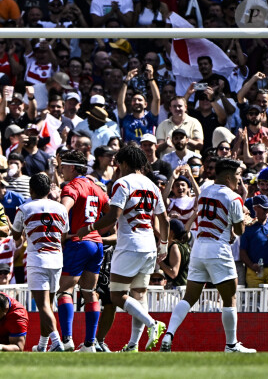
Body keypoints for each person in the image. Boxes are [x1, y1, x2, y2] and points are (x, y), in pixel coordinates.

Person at [77, 145, 169, 352]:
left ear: (125, 163)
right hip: (149, 248)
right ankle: (133, 345)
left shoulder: (122, 183)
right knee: (138, 295)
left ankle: (152, 323)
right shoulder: (152, 185)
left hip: (129, 245)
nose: (117, 167)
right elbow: (165, 220)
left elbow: (113, 217)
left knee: (117, 295)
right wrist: (163, 245)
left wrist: (89, 228)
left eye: (118, 163)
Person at [160, 159, 256, 353]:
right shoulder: (233, 197)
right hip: (218, 249)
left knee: (189, 297)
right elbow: (239, 230)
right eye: (238, 175)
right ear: (228, 176)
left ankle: (169, 334)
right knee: (230, 298)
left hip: (199, 248)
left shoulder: (204, 192)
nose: (239, 180)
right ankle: (231, 345)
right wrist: (245, 221)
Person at [56, 150, 110, 352]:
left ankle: (67, 340)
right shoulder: (96, 187)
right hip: (96, 244)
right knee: (89, 292)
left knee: (64, 291)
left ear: (72, 167)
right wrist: (96, 230)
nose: (61, 170)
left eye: (63, 166)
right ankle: (89, 344)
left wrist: (65, 235)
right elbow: (111, 213)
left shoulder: (72, 186)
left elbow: (63, 210)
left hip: (78, 243)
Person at [12, 173, 69, 352]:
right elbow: (64, 236)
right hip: (57, 259)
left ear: (31, 189)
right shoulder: (61, 209)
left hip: (37, 259)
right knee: (48, 306)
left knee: (43, 306)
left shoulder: (24, 208)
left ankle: (57, 342)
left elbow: (15, 235)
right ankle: (43, 345)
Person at [239, 195, 268, 288]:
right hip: (254, 272)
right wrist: (251, 266)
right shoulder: (248, 227)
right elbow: (242, 251)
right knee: (253, 301)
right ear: (255, 208)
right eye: (264, 209)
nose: (267, 211)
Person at [157, 219, 191, 288]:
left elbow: (173, 273)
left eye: (165, 229)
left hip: (177, 290)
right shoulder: (185, 244)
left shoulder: (174, 247)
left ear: (171, 232)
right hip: (184, 287)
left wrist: (158, 260)